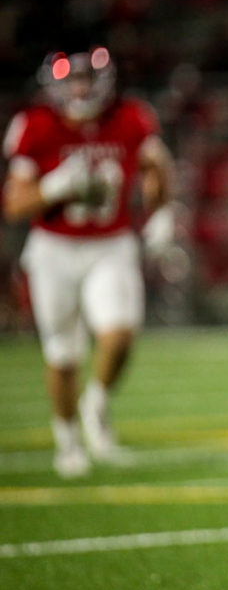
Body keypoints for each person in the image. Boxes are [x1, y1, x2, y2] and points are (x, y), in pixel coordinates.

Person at [2, 44, 175, 478]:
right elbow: (14, 204)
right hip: (53, 248)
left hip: (111, 243)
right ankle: (68, 441)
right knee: (62, 353)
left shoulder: (130, 115)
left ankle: (94, 405)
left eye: (86, 78)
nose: (80, 87)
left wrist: (163, 210)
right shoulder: (35, 124)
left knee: (120, 332)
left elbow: (157, 164)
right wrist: (53, 189)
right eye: (70, 79)